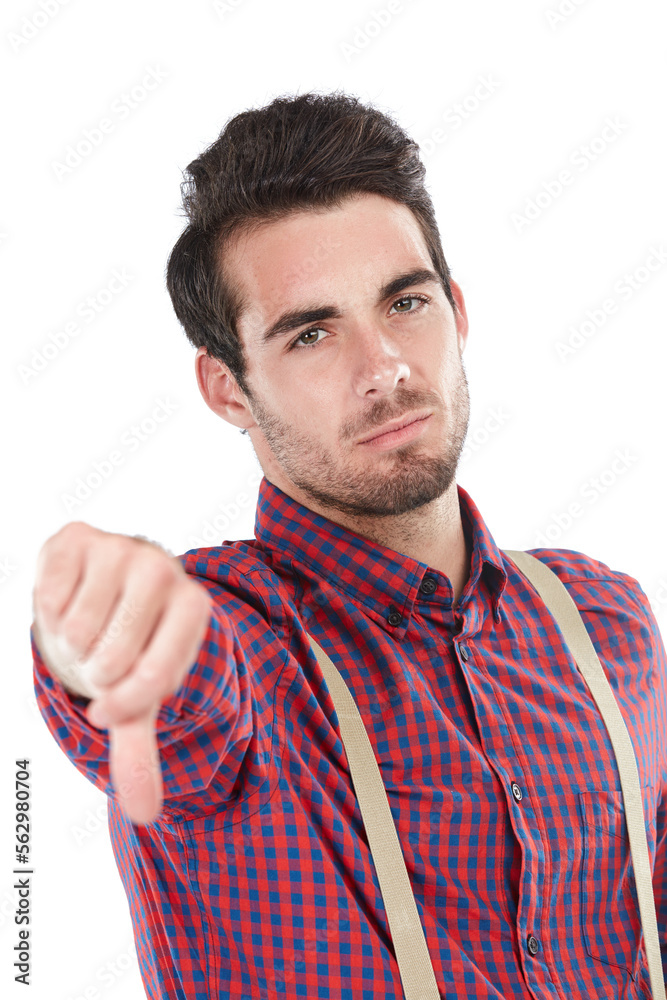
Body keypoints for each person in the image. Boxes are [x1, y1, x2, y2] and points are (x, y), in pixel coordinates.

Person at [31, 91, 667, 1000]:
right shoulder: (240, 645)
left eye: (404, 302)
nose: (384, 369)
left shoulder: (607, 624)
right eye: (312, 333)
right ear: (227, 389)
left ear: (455, 309)